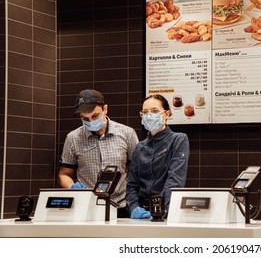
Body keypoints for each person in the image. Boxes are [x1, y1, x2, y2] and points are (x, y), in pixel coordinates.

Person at [58, 89, 139, 218]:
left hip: (121, 207)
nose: (90, 121)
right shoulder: (73, 138)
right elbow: (64, 174)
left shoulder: (127, 134)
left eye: (95, 116)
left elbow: (136, 173)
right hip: (86, 208)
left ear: (105, 109)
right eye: (85, 118)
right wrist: (72, 186)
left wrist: (134, 204)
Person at [126, 94, 190, 219]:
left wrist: (160, 210)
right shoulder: (139, 147)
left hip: (166, 211)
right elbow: (132, 185)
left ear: (167, 114)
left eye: (154, 111)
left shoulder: (178, 139)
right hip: (141, 212)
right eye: (145, 112)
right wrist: (133, 207)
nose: (149, 115)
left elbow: (175, 181)